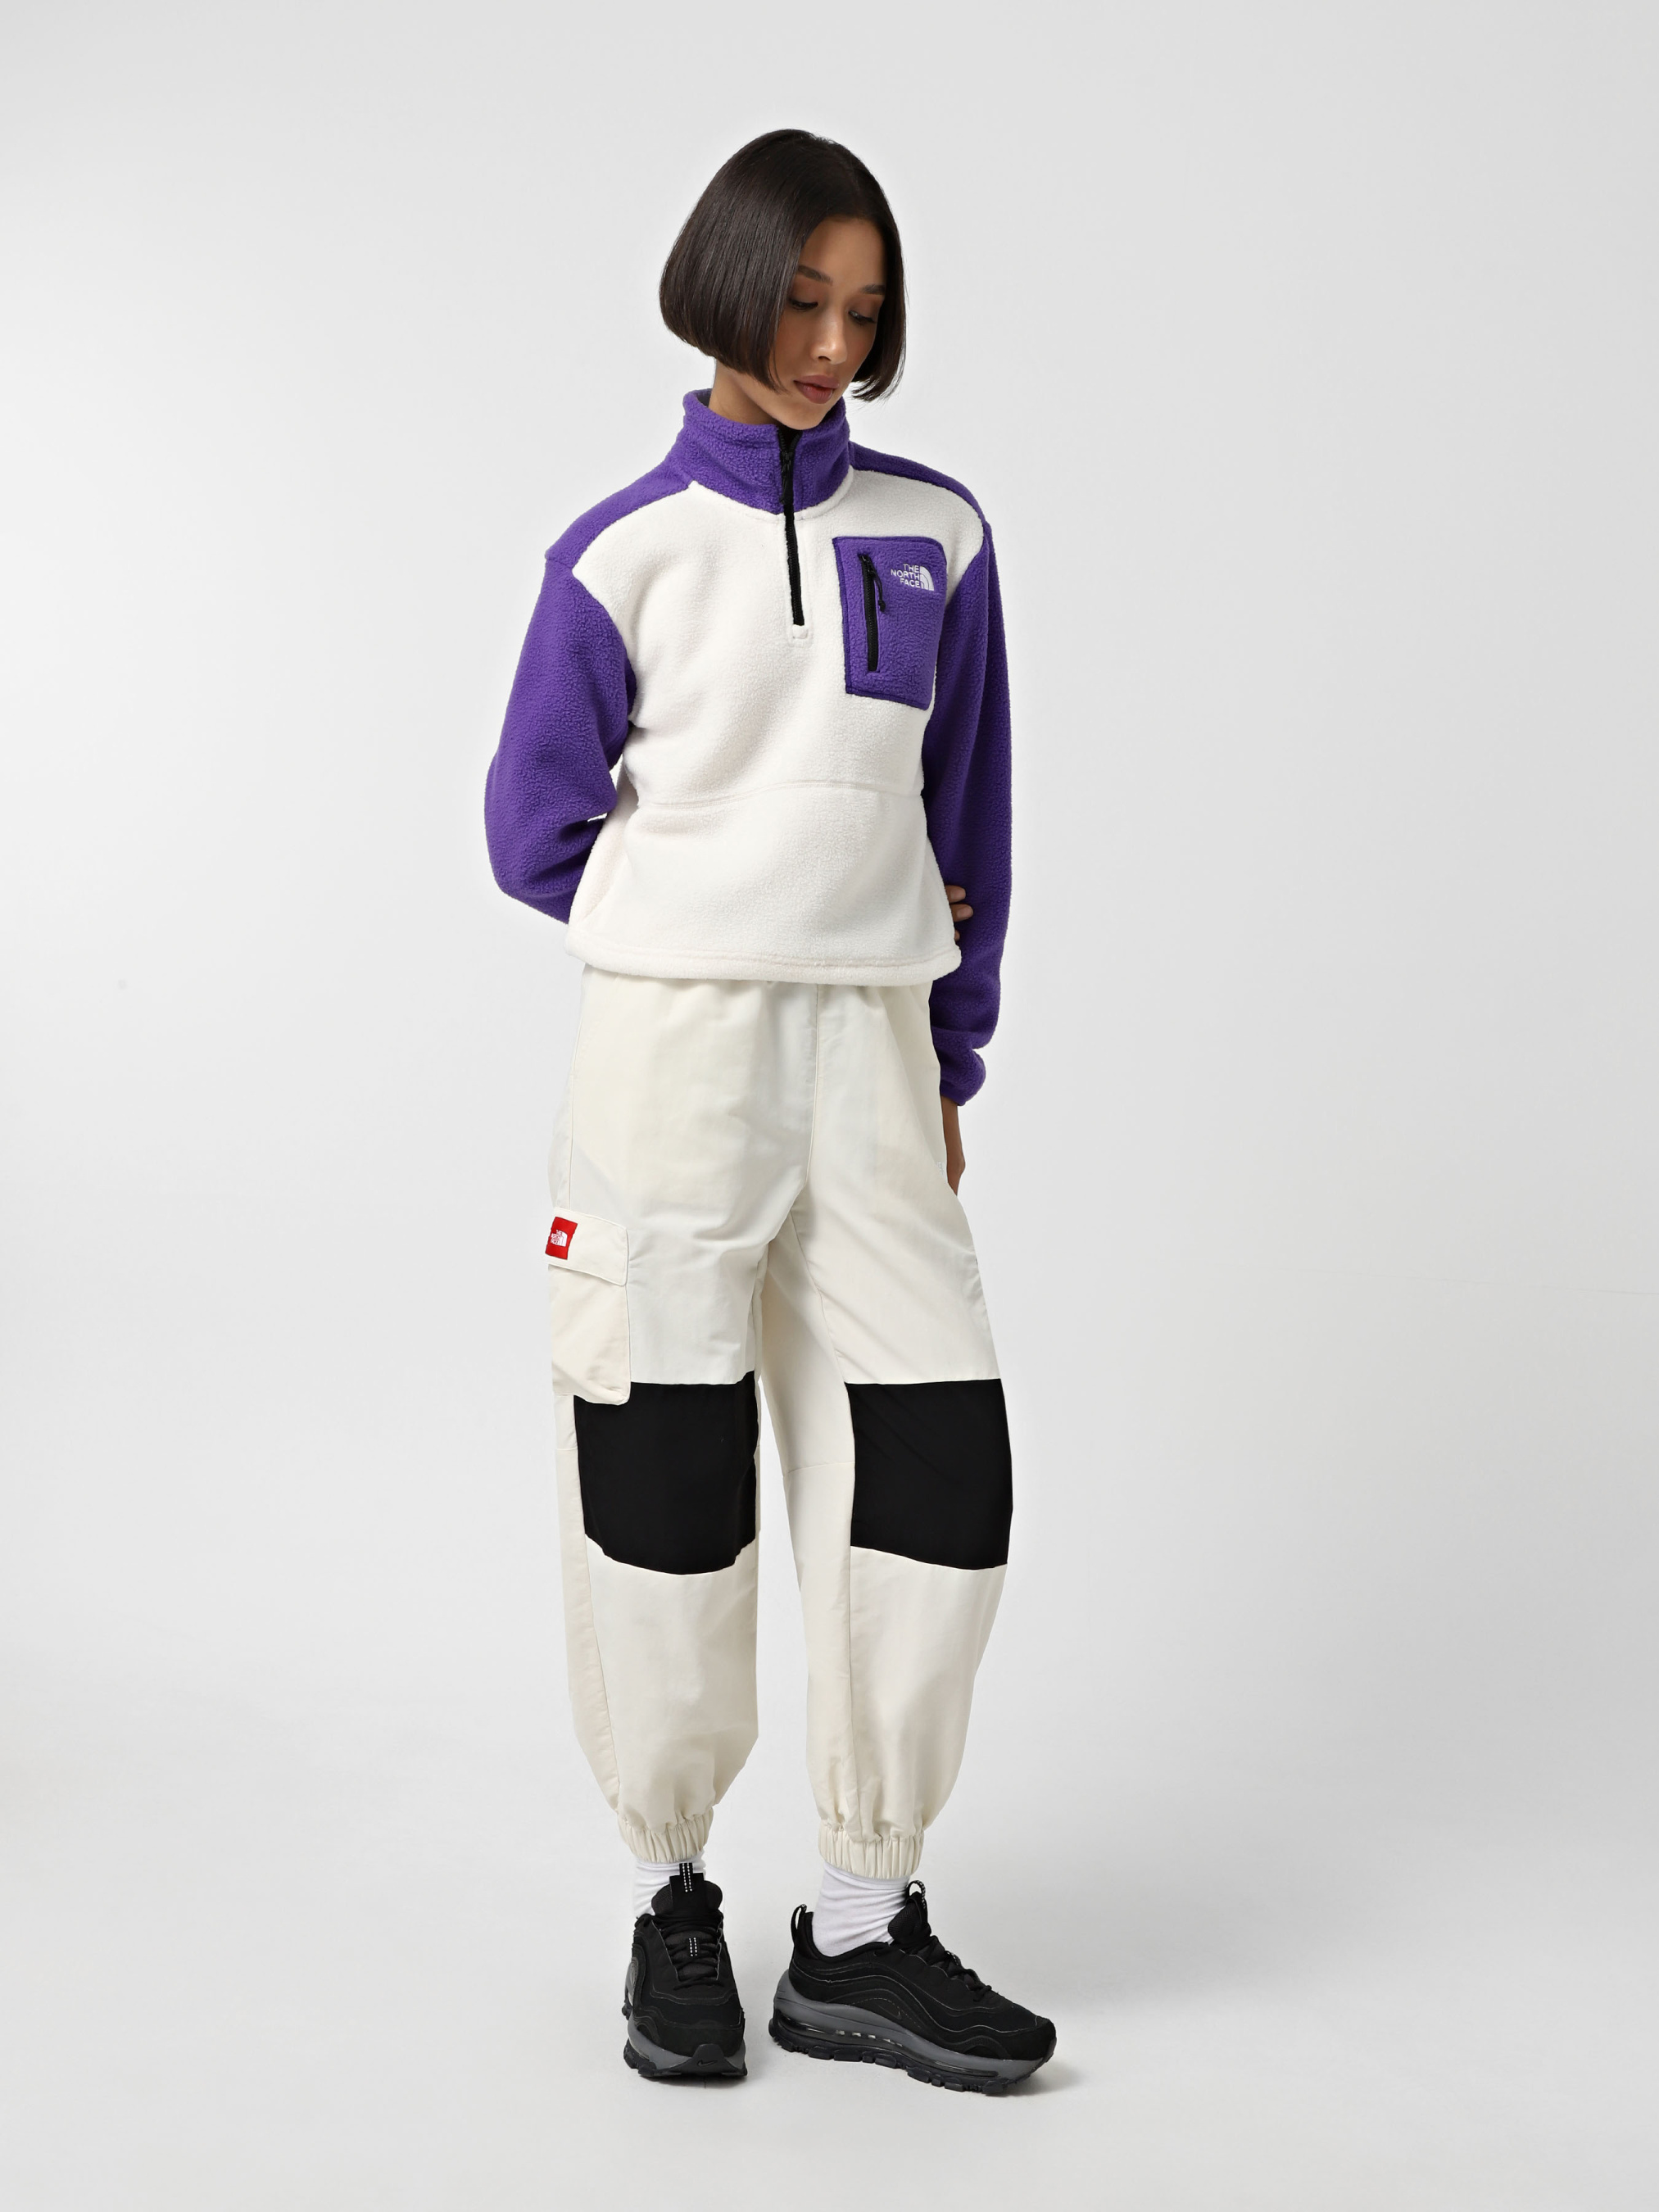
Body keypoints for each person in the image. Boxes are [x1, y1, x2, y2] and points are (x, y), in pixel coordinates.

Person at [484, 129, 1054, 2094]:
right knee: (661, 1468)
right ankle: (672, 1897)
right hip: (674, 1063)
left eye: (862, 312)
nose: (829, 345)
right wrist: (713, 922)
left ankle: (860, 1925)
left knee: (935, 1461)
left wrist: (947, 1052)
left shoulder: (938, 532)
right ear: (725, 287)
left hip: (876, 1060)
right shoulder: (621, 552)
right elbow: (530, 831)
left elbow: (968, 812)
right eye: (802, 300)